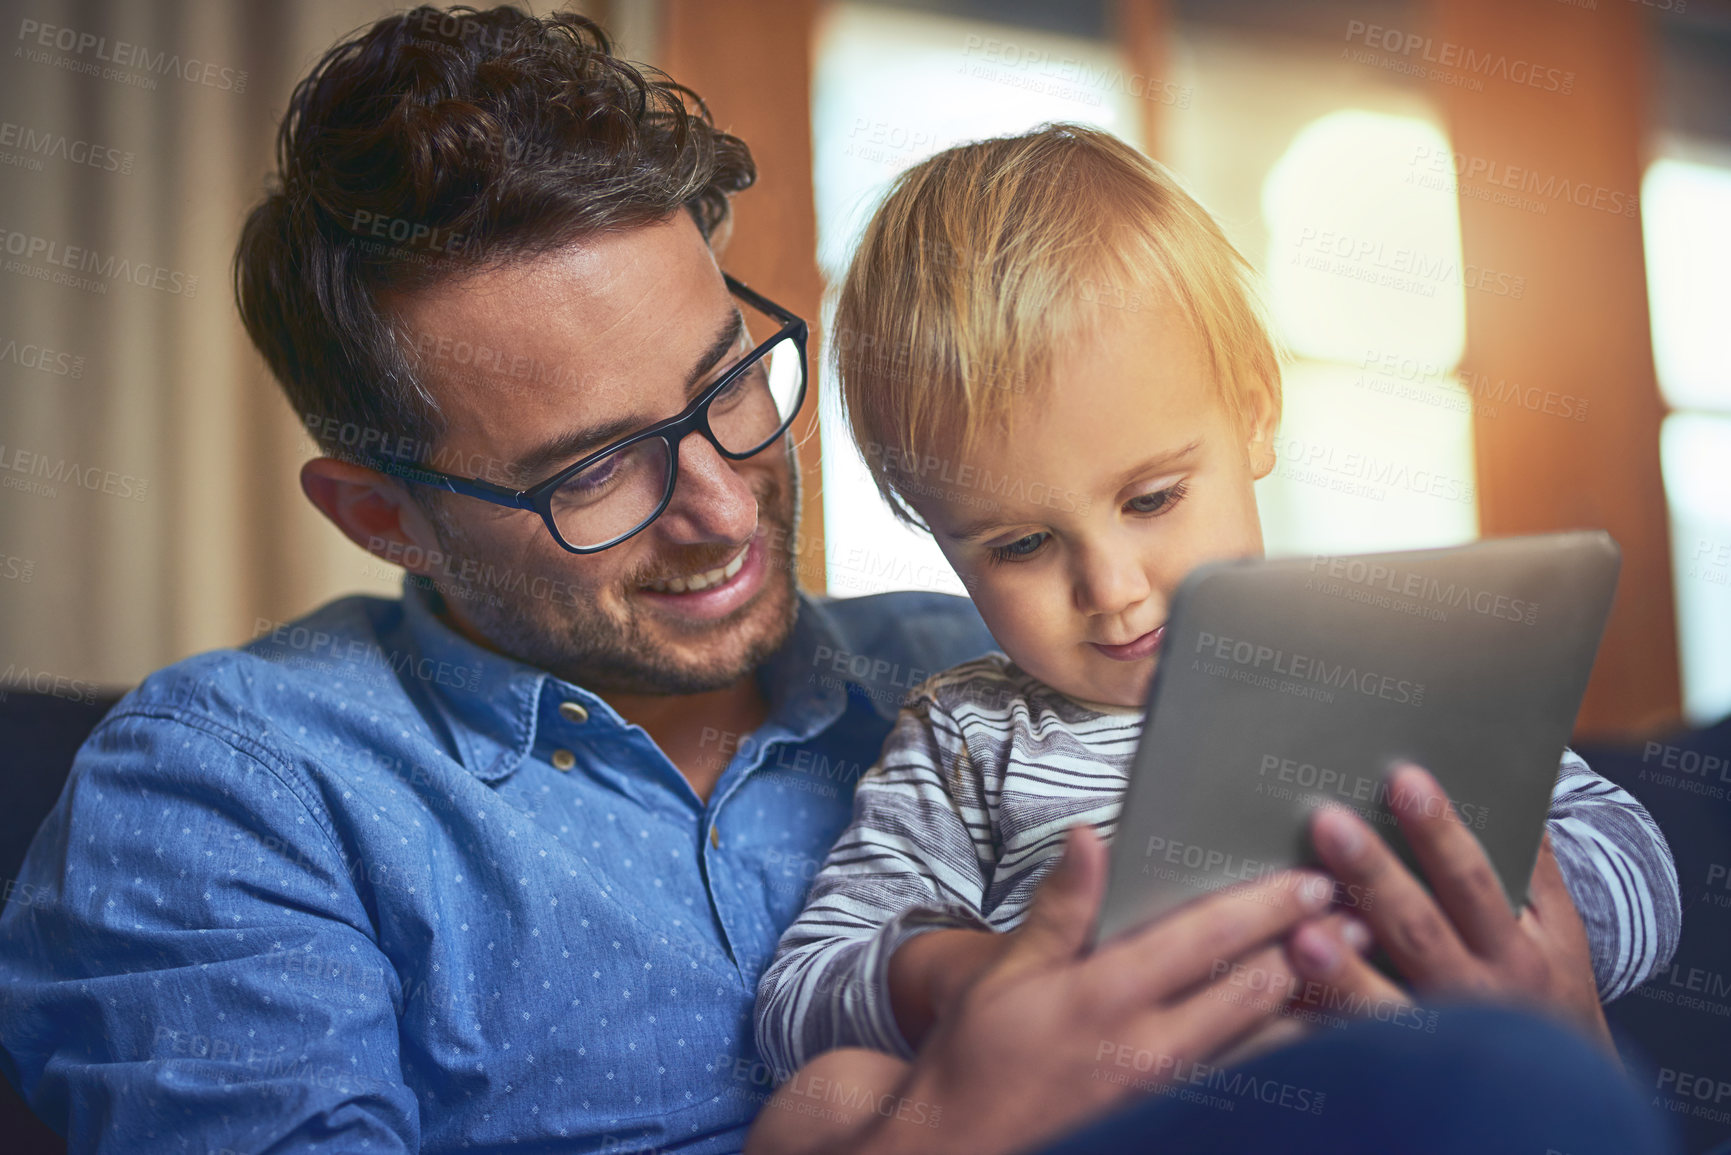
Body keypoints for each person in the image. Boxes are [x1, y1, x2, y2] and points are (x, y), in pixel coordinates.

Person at [0, 9, 1680, 1155]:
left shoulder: (992, 667)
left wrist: (1559, 1005)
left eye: (727, 384)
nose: (723, 507)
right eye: (592, 469)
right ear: (379, 513)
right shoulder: (238, 789)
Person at [745, 127, 1681, 1152]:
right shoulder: (970, 733)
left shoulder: (1378, 654)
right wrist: (950, 976)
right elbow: (797, 996)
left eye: (1151, 498)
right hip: (1097, 1114)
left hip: (1360, 1077)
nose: (1110, 589)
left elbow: (1637, 859)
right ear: (937, 533)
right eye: (1020, 543)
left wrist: (1475, 908)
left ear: (1254, 410)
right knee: (824, 1098)